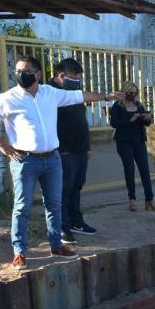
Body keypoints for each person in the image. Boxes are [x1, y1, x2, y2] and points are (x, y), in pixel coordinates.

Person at [0, 55, 121, 270]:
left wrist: (107, 96)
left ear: (38, 74)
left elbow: (79, 95)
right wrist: (2, 146)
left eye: (26, 71)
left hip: (52, 159)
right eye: (18, 71)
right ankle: (20, 252)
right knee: (22, 208)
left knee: (54, 205)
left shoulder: (50, 93)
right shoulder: (8, 98)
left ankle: (56, 245)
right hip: (25, 161)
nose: (21, 75)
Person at [49, 58, 97, 245]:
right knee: (63, 190)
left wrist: (87, 147)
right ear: (62, 75)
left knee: (76, 187)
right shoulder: (50, 93)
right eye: (75, 78)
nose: (78, 82)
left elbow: (80, 120)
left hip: (79, 150)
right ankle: (63, 228)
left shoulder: (74, 93)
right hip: (63, 150)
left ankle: (77, 222)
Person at [109, 82, 155, 212]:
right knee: (129, 170)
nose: (132, 94)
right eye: (130, 91)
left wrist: (147, 118)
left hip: (139, 141)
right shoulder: (117, 107)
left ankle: (150, 199)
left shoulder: (139, 105)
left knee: (144, 170)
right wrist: (131, 120)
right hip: (124, 143)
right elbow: (114, 123)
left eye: (134, 91)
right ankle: (132, 200)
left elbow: (146, 124)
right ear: (124, 92)